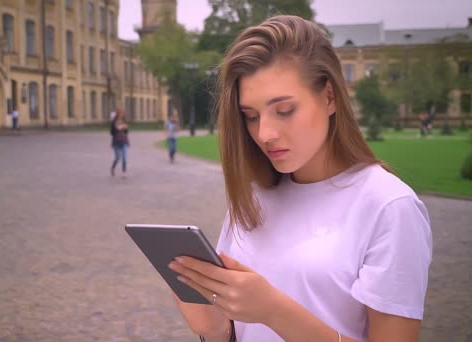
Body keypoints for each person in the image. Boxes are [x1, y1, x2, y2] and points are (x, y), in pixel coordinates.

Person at [167, 15, 432, 342]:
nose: (264, 133)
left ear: (330, 97)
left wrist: (274, 311)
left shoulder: (389, 207)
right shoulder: (253, 196)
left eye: (284, 110)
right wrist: (215, 330)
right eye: (250, 116)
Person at [110, 108, 129, 178]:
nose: (122, 115)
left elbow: (126, 132)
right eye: (120, 113)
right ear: (117, 114)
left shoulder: (124, 121)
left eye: (123, 114)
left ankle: (124, 173)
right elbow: (112, 133)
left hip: (124, 141)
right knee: (118, 157)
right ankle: (113, 168)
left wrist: (125, 128)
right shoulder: (113, 122)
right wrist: (118, 129)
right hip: (116, 141)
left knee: (124, 158)